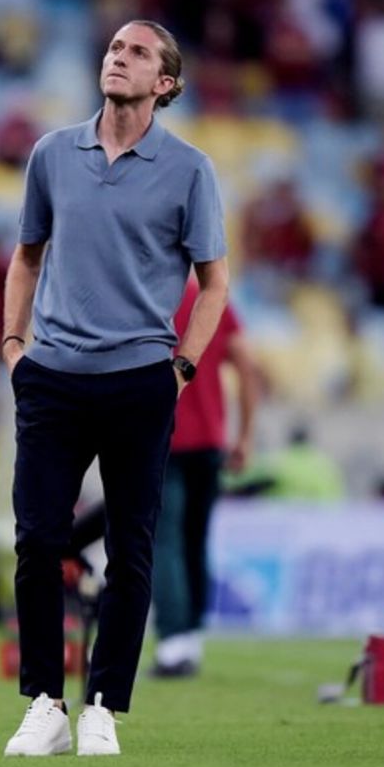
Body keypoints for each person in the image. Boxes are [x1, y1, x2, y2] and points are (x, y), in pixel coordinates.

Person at [1, 19, 229, 756]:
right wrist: (14, 347)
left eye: (136, 53)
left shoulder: (189, 168)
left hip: (141, 381)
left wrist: (182, 367)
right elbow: (26, 257)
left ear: (165, 84)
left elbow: (214, 284)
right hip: (53, 380)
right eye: (112, 48)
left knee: (130, 550)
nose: (116, 57)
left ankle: (103, 705)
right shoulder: (51, 154)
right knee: (39, 540)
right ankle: (45, 702)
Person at [150, 274, 257, 678]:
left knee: (165, 540)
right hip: (210, 443)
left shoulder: (146, 297)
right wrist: (244, 435)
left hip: (162, 438)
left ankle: (175, 640)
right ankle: (191, 634)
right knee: (195, 539)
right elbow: (246, 364)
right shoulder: (209, 298)